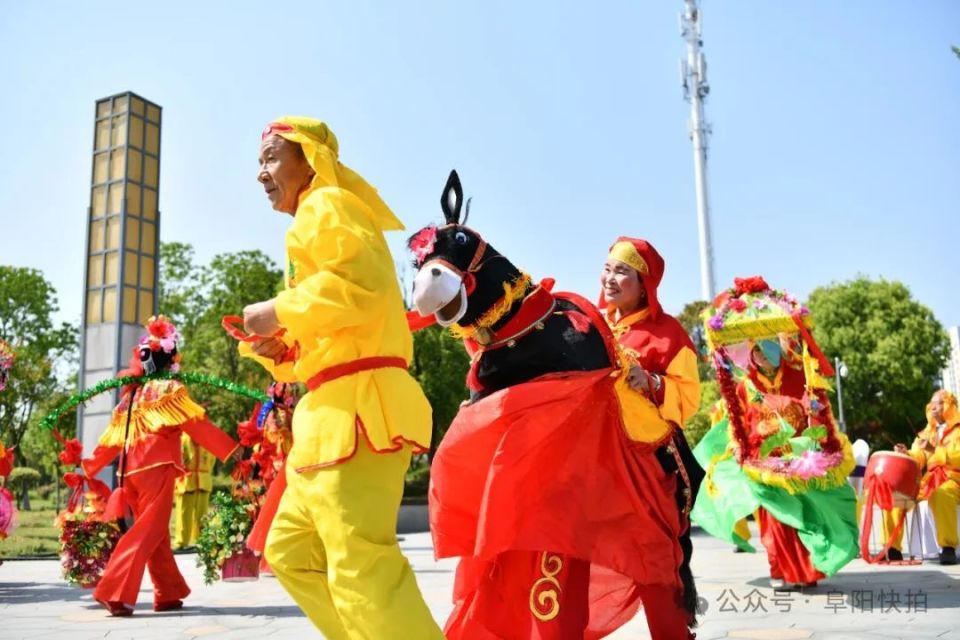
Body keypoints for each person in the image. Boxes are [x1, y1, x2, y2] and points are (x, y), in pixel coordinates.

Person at [240, 116, 442, 638]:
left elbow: (363, 288)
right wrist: (279, 347)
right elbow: (333, 326)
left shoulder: (326, 204)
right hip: (330, 413)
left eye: (270, 158)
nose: (260, 173)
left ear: (309, 159)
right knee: (290, 551)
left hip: (357, 409)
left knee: (359, 563)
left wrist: (279, 309)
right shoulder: (311, 217)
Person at [691, 277, 859, 591]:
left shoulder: (799, 377)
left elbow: (815, 412)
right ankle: (780, 570)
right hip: (762, 461)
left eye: (767, 352)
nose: (762, 359)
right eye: (757, 355)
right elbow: (736, 421)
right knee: (773, 519)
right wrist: (743, 447)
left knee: (804, 516)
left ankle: (805, 572)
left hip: (798, 458)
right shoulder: (744, 386)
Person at [81, 316, 239, 616]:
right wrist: (232, 452)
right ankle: (114, 591)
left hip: (128, 474)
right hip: (156, 467)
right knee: (147, 531)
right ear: (171, 360)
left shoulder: (132, 398)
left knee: (157, 534)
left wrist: (91, 464)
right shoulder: (169, 389)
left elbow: (112, 440)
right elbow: (196, 425)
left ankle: (168, 592)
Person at [600, 236, 704, 625]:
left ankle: (673, 627)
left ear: (645, 285)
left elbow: (690, 398)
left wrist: (654, 383)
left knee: (656, 552)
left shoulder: (668, 333)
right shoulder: (593, 326)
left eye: (622, 271)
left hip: (652, 460)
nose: (610, 278)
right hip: (602, 458)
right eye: (607, 268)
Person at [884, 390, 960, 565]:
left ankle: (947, 548)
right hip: (930, 481)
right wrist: (906, 453)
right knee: (896, 495)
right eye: (931, 403)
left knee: (940, 494)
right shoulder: (928, 432)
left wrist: (934, 451)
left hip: (955, 480)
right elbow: (917, 458)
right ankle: (892, 548)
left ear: (949, 405)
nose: (933, 407)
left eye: (939, 403)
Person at [173, 433, 216, 549]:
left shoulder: (208, 439)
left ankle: (202, 541)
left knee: (202, 515)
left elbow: (212, 460)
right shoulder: (182, 438)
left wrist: (204, 473)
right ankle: (181, 542)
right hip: (186, 480)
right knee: (183, 514)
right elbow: (177, 459)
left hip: (203, 480)